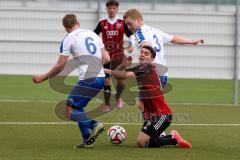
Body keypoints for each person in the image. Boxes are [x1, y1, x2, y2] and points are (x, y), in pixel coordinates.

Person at [32, 14, 110, 148]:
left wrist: (43, 77)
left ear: (66, 28)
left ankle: (94, 124)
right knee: (78, 107)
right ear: (78, 23)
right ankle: (86, 140)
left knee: (67, 110)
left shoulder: (69, 38)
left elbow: (60, 65)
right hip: (100, 78)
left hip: (87, 78)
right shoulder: (93, 35)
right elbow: (107, 58)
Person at [105, 45, 192, 148]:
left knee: (141, 142)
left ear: (151, 59)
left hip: (163, 116)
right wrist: (123, 65)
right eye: (141, 52)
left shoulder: (147, 69)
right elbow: (118, 75)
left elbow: (123, 75)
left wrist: (104, 70)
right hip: (152, 116)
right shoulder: (139, 68)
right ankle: (171, 137)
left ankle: (174, 139)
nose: (142, 54)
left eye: (146, 54)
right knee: (143, 142)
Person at [123, 8, 204, 89]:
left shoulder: (139, 33)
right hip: (163, 74)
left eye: (130, 23)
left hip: (152, 74)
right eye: (127, 24)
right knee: (150, 101)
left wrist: (138, 67)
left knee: (149, 101)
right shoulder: (156, 31)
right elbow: (174, 39)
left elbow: (146, 47)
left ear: (138, 19)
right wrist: (192, 41)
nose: (128, 27)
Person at [94, 0, 135, 112]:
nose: (111, 10)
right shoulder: (102, 23)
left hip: (119, 57)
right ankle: (107, 104)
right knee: (106, 81)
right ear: (106, 9)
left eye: (113, 8)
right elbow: (94, 35)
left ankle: (118, 97)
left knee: (121, 82)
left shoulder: (122, 23)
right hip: (106, 56)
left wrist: (132, 45)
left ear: (117, 9)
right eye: (109, 8)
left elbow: (131, 35)